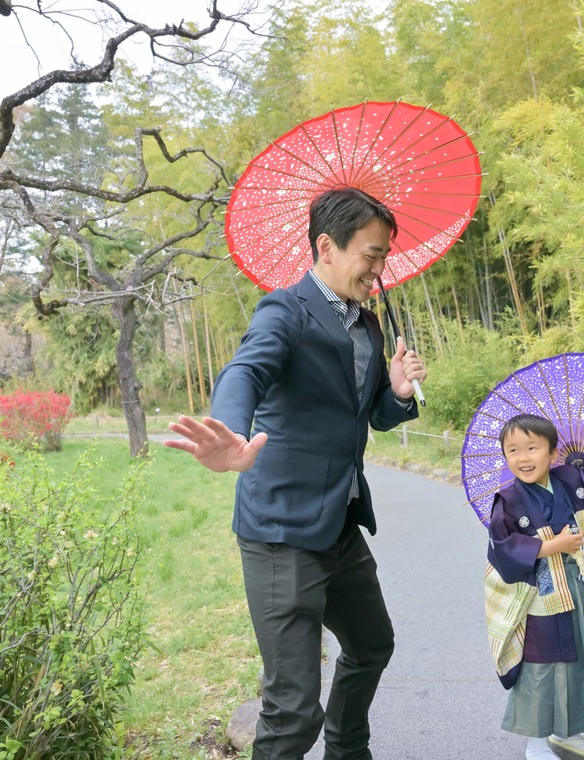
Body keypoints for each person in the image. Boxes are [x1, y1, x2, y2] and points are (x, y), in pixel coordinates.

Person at [165, 187, 427, 760]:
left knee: (371, 644)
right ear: (327, 247)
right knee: (292, 710)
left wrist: (400, 392)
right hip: (281, 530)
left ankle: (347, 750)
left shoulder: (369, 325)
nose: (379, 268)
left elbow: (372, 411)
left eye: (385, 256)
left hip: (340, 523)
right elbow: (247, 369)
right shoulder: (284, 310)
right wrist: (231, 430)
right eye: (371, 254)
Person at [485, 414, 584, 760]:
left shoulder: (569, 480)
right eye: (513, 450)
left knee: (579, 662)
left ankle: (573, 733)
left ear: (553, 453)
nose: (523, 457)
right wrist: (550, 547)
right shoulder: (508, 500)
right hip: (540, 598)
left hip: (578, 587)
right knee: (541, 667)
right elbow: (502, 551)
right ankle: (535, 745)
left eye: (533, 448)